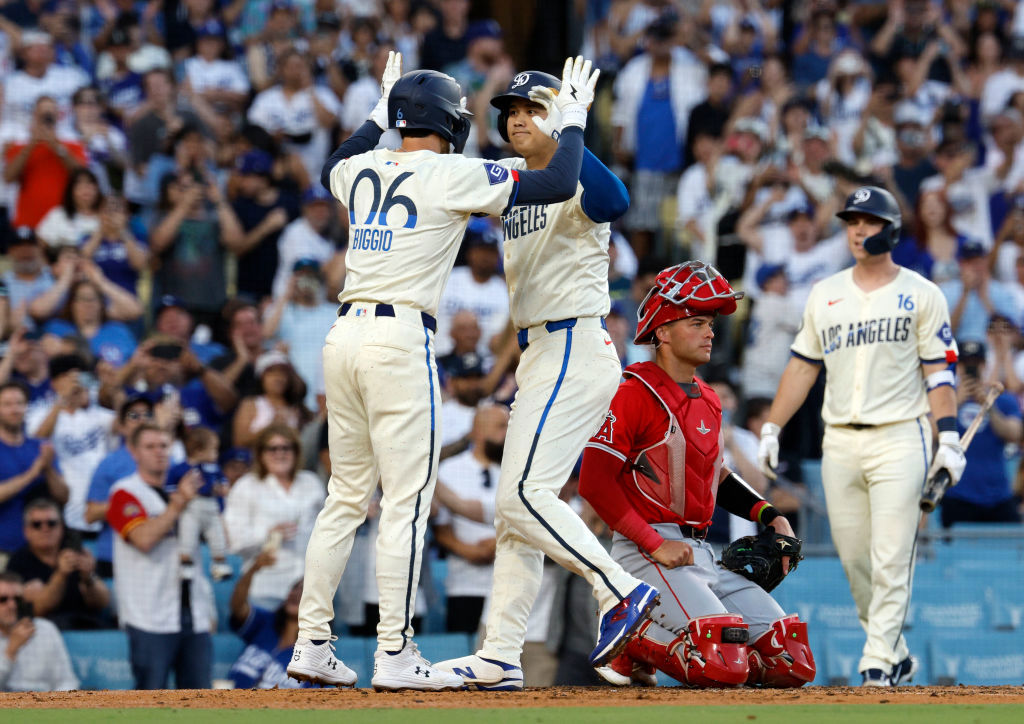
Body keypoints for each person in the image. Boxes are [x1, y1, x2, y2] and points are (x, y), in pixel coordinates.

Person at [289, 53, 611, 692]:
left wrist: (377, 118)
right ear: (450, 123)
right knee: (406, 501)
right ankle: (394, 653)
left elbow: (333, 163)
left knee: (346, 498)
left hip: (342, 334)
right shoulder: (451, 172)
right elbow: (552, 185)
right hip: (398, 338)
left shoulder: (359, 167)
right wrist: (571, 123)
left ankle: (312, 642)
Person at [435, 68, 657, 691]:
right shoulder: (520, 185)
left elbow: (615, 204)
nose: (516, 117)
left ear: (557, 117)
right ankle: (501, 653)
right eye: (509, 109)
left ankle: (621, 589)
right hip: (539, 352)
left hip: (575, 342)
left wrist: (574, 129)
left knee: (523, 498)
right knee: (515, 516)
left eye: (531, 107)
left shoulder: (575, 170)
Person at [757, 186, 966, 687]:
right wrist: (771, 427)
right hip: (841, 440)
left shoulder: (922, 292)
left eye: (868, 222)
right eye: (851, 221)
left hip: (901, 436)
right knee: (855, 559)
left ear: (890, 230)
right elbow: (802, 368)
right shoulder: (826, 292)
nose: (856, 230)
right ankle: (894, 651)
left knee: (891, 553)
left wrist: (950, 438)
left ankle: (875, 664)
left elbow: (940, 373)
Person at [574, 261, 814, 689]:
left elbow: (714, 475)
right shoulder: (631, 391)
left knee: (790, 659)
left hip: (699, 550)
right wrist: (654, 543)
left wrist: (768, 514)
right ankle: (632, 637)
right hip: (646, 550)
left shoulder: (707, 397)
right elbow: (593, 483)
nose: (710, 332)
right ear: (662, 332)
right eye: (698, 321)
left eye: (712, 323)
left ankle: (681, 646)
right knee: (720, 663)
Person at [106, 423, 212, 690]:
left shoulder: (187, 489)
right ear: (133, 451)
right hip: (148, 615)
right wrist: (178, 505)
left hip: (193, 610)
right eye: (150, 446)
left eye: (164, 446)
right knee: (150, 703)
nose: (159, 452)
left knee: (202, 705)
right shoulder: (124, 492)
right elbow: (143, 539)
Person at [223, 424, 324, 610]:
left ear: (296, 451)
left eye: (286, 447)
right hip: (266, 589)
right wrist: (267, 534)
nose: (280, 453)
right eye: (272, 448)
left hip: (309, 591)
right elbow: (235, 542)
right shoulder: (246, 486)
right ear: (261, 454)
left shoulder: (311, 483)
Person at [433, 404, 506, 633]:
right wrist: (469, 551)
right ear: (480, 430)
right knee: (463, 661)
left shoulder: (516, 470)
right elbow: (440, 527)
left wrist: (497, 545)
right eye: (502, 427)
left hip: (506, 589)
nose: (509, 434)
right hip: (464, 586)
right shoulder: (449, 469)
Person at [941, 341, 1023, 527]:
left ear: (984, 365)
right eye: (965, 363)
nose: (971, 368)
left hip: (998, 497)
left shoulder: (1002, 399)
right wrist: (955, 403)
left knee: (1013, 548)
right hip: (958, 495)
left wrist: (989, 407)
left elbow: (1014, 434)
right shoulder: (945, 398)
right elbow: (932, 432)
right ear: (958, 366)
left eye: (975, 363)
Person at [6, 499, 110, 630]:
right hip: (41, 631)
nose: (45, 529)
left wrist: (88, 578)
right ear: (26, 531)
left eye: (51, 523)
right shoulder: (18, 561)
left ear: (61, 527)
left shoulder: (78, 552)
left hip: (87, 625)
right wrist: (61, 575)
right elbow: (38, 610)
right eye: (37, 524)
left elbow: (103, 603)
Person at [0, 381, 68, 559]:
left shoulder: (39, 446)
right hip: (4, 549)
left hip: (43, 553)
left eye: (20, 403)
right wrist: (32, 473)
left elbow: (64, 497)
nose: (15, 409)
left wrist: (49, 470)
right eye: (7, 404)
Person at [227, 549, 306, 689]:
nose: (297, 594)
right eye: (295, 588)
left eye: (306, 592)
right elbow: (237, 606)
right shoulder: (266, 622)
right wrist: (254, 569)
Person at [165, 427, 232, 581]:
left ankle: (219, 567)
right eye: (213, 449)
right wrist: (179, 496)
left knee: (218, 540)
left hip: (211, 508)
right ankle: (185, 568)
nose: (216, 454)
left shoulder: (214, 468)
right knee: (187, 540)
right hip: (191, 508)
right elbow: (170, 488)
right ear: (199, 451)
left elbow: (223, 484)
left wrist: (222, 488)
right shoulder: (181, 468)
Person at [0, 571, 79, 692]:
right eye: (3, 599)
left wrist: (53, 705)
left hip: (46, 705)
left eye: (17, 599)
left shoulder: (45, 629)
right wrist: (10, 651)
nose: (12, 605)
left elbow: (67, 681)